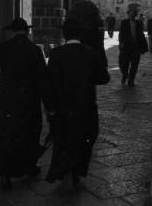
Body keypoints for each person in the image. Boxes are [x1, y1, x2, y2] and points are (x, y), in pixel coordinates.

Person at [45, 19, 110, 190]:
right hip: (85, 106)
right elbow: (104, 78)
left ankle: (64, 169)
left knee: (63, 139)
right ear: (81, 35)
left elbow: (49, 83)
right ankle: (77, 170)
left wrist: (50, 108)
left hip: (62, 107)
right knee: (86, 137)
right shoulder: (90, 53)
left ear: (64, 35)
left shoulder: (56, 54)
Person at [0, 18, 49, 189]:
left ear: (13, 31)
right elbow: (42, 76)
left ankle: (5, 173)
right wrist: (48, 103)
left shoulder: (5, 47)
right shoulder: (35, 50)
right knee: (29, 133)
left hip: (6, 98)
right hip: (29, 98)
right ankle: (29, 167)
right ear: (27, 31)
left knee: (6, 133)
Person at [118, 5, 148, 87]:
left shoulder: (139, 23)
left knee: (134, 65)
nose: (132, 15)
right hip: (126, 46)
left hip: (136, 46)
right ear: (128, 14)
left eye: (134, 13)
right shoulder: (124, 22)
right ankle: (125, 74)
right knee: (123, 64)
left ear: (135, 15)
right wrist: (121, 43)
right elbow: (121, 34)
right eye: (131, 13)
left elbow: (141, 35)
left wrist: (143, 46)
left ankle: (131, 81)